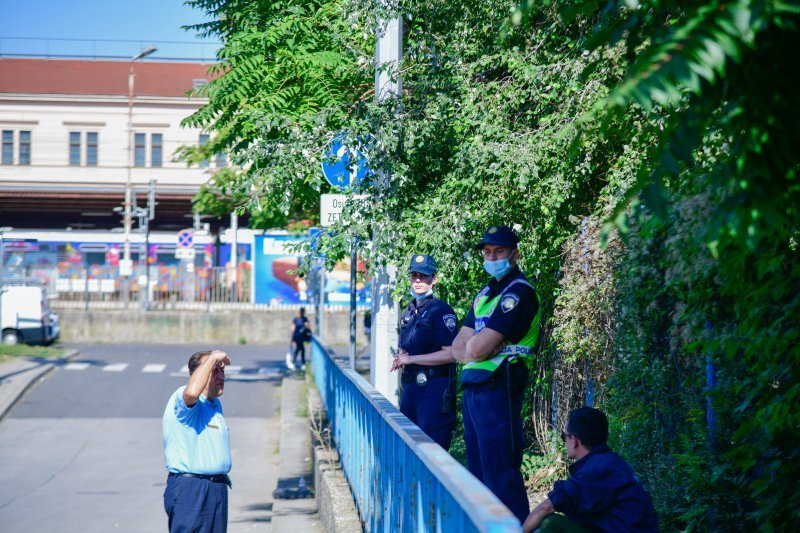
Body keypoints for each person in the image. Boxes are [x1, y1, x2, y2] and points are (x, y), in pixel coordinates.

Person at [452, 225, 541, 524]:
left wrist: (476, 349)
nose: (492, 257)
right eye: (488, 252)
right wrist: (479, 348)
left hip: (500, 387)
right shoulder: (486, 293)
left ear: (514, 254)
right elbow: (459, 348)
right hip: (476, 388)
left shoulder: (518, 294)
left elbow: (474, 348)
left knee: (501, 475)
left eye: (499, 252)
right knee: (478, 475)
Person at [523, 407, 659, 532]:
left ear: (574, 440)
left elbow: (545, 507)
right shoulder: (609, 463)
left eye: (564, 436)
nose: (564, 441)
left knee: (551, 523)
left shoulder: (599, 468)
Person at [390, 254, 459, 450]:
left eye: (424, 276)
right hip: (411, 391)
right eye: (415, 276)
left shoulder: (441, 311)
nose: (419, 280)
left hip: (433, 392)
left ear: (434, 279)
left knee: (431, 453)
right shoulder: (410, 311)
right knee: (408, 450)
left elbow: (451, 354)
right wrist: (402, 358)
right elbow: (408, 347)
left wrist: (411, 359)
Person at [163, 349, 233, 533]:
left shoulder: (215, 404)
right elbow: (191, 394)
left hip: (217, 488)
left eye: (222, 371)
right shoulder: (183, 398)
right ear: (198, 374)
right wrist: (212, 358)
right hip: (192, 490)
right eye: (214, 371)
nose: (221, 376)